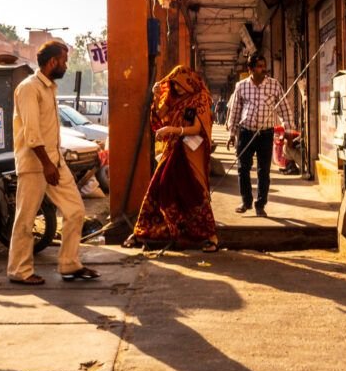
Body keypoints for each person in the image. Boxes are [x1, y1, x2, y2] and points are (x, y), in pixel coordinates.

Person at [7, 41, 99, 285]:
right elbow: (32, 133)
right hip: (35, 164)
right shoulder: (29, 88)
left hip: (53, 162)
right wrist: (47, 164)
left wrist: (53, 162)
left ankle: (69, 264)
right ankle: (19, 270)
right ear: (52, 62)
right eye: (64, 61)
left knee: (75, 211)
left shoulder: (49, 89)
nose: (66, 65)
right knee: (26, 219)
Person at [123, 65, 219, 252]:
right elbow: (159, 117)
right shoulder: (172, 98)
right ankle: (142, 232)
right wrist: (157, 95)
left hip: (190, 154)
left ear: (190, 82)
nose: (177, 89)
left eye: (181, 85)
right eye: (174, 85)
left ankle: (210, 237)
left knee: (194, 193)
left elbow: (197, 129)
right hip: (172, 150)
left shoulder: (200, 99)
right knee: (158, 187)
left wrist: (172, 130)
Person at [226, 54, 293, 217]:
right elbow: (235, 110)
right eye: (259, 66)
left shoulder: (274, 85)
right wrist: (232, 134)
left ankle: (260, 204)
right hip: (246, 132)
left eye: (264, 66)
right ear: (250, 69)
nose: (263, 69)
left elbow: (284, 108)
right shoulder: (241, 86)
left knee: (264, 171)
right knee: (243, 168)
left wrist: (288, 130)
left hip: (265, 134)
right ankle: (246, 201)